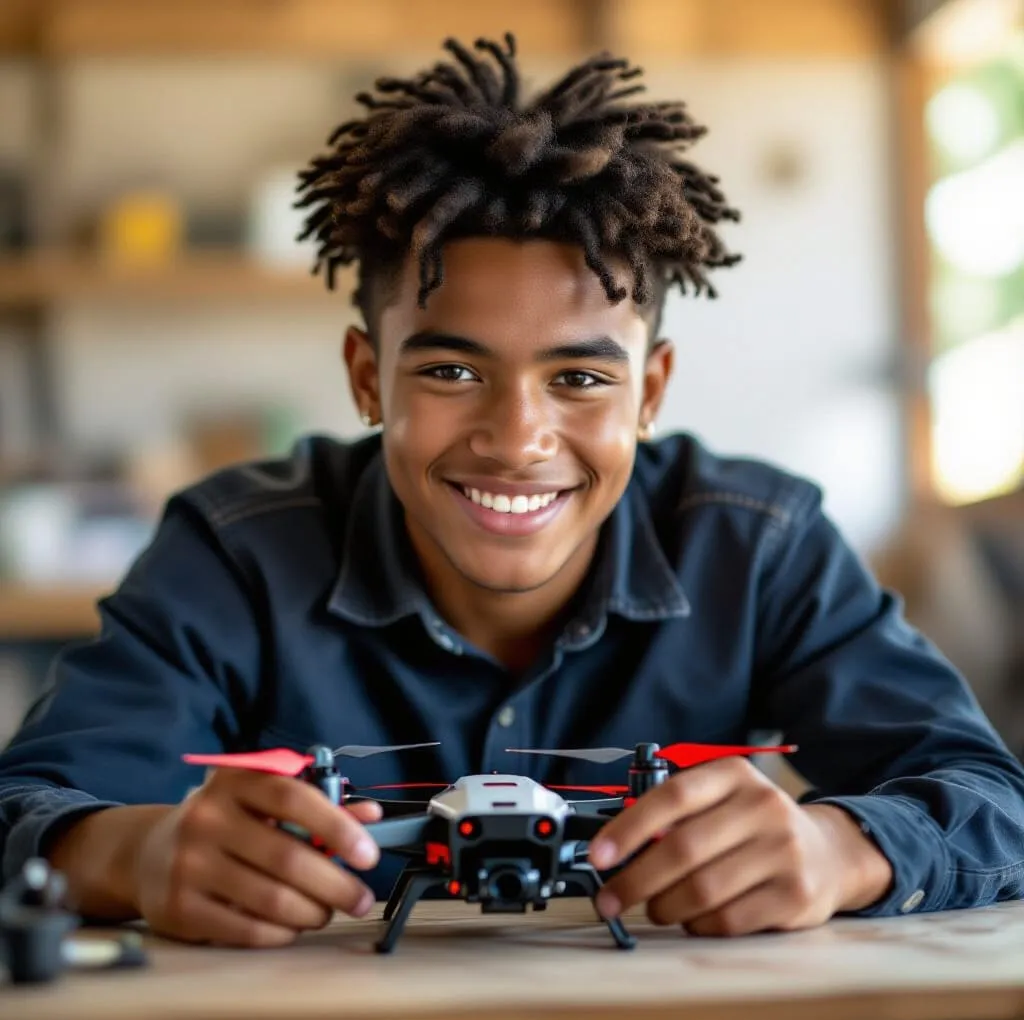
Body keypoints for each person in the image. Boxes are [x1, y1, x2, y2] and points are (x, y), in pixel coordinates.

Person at [2, 33, 1023, 949]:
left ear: (649, 391)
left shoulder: (758, 545)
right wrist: (129, 854)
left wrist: (842, 848)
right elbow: (27, 805)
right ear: (367, 376)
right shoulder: (232, 549)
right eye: (450, 371)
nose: (515, 439)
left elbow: (993, 799)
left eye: (579, 379)